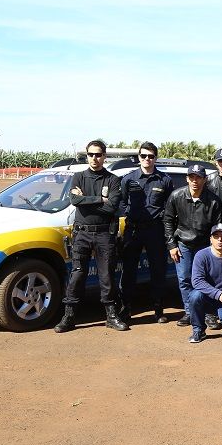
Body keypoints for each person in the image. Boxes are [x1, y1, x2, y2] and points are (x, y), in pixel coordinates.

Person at [56, 139, 126, 333]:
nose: (94, 158)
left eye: (98, 154)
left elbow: (112, 207)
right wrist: (99, 199)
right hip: (82, 234)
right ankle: (69, 316)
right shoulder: (78, 177)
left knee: (107, 276)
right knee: (77, 274)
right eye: (91, 154)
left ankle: (111, 315)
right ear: (87, 156)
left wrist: (87, 201)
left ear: (104, 156)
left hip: (105, 234)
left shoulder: (112, 179)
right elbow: (74, 200)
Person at [118, 141, 174, 323]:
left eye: (150, 156)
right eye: (143, 156)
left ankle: (158, 310)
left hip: (155, 231)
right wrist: (130, 213)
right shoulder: (128, 179)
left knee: (158, 270)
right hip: (133, 230)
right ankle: (125, 310)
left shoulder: (164, 180)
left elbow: (170, 207)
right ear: (139, 157)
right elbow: (122, 202)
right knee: (129, 271)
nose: (147, 159)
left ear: (155, 158)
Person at [164, 163, 222, 327]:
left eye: (198, 177)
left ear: (205, 180)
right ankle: (190, 313)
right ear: (187, 179)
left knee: (209, 280)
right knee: (185, 279)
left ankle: (210, 314)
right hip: (183, 244)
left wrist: (215, 247)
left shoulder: (213, 201)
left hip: (205, 246)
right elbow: (168, 220)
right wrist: (171, 245)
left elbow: (218, 226)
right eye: (192, 177)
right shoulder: (176, 195)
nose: (195, 181)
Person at [187, 223, 222, 343]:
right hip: (208, 298)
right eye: (216, 236)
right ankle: (198, 330)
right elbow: (197, 281)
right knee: (194, 296)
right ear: (210, 239)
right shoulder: (201, 255)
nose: (220, 239)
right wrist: (218, 294)